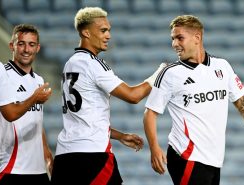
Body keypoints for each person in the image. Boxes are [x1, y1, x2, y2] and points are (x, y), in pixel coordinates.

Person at [143, 15, 244, 185]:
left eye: (179, 38)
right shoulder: (170, 73)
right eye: (172, 39)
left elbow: (242, 104)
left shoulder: (222, 66)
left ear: (197, 37)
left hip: (214, 159)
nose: (174, 44)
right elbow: (150, 113)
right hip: (187, 157)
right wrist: (154, 148)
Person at [50, 7, 166, 185]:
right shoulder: (92, 64)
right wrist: (159, 74)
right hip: (92, 158)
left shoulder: (70, 63)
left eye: (109, 30)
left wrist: (119, 136)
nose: (108, 36)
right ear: (86, 32)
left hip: (65, 158)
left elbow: (84, 118)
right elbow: (133, 96)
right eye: (103, 30)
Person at [0, 24, 53, 185]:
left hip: (37, 170)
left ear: (38, 48)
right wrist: (33, 98)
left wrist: (47, 155)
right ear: (12, 45)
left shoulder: (38, 80)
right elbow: (11, 114)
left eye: (31, 44)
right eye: (21, 43)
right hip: (10, 167)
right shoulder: (1, 76)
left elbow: (36, 121)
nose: (26, 49)